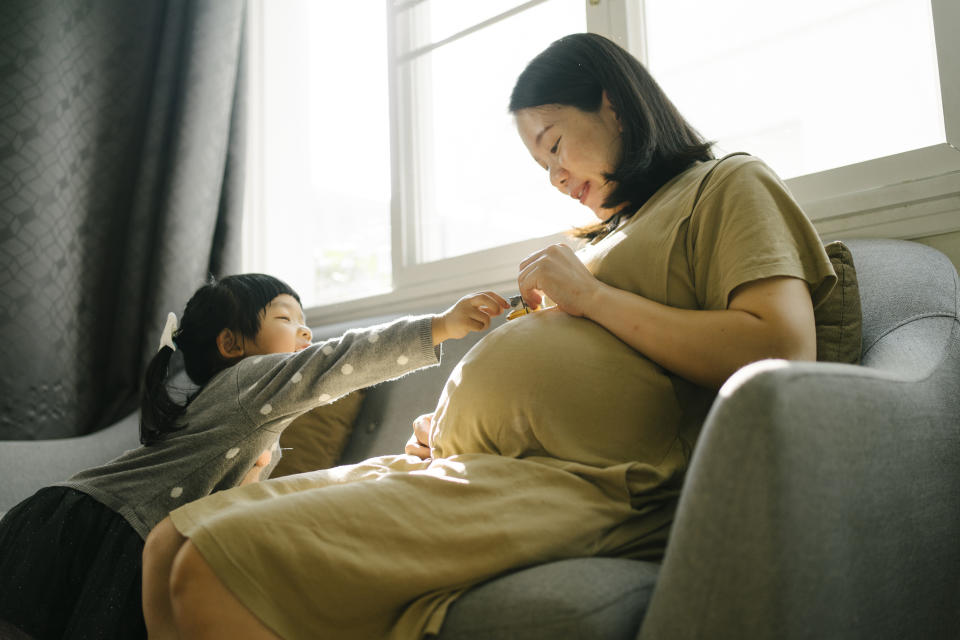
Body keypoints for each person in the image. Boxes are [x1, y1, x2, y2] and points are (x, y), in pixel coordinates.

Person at [141, 33, 838, 640]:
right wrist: (448, 424)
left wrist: (589, 295)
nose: (557, 177)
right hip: (470, 462)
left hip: (590, 481)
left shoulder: (724, 186)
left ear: (614, 105)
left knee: (210, 568)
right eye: (543, 166)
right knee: (168, 541)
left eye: (556, 145)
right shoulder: (600, 236)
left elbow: (780, 351)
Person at [0, 272, 508, 640]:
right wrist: (439, 325)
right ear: (231, 343)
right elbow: (337, 363)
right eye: (288, 319)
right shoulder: (248, 380)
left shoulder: (257, 424)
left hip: (126, 530)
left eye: (305, 322)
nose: (306, 332)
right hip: (101, 521)